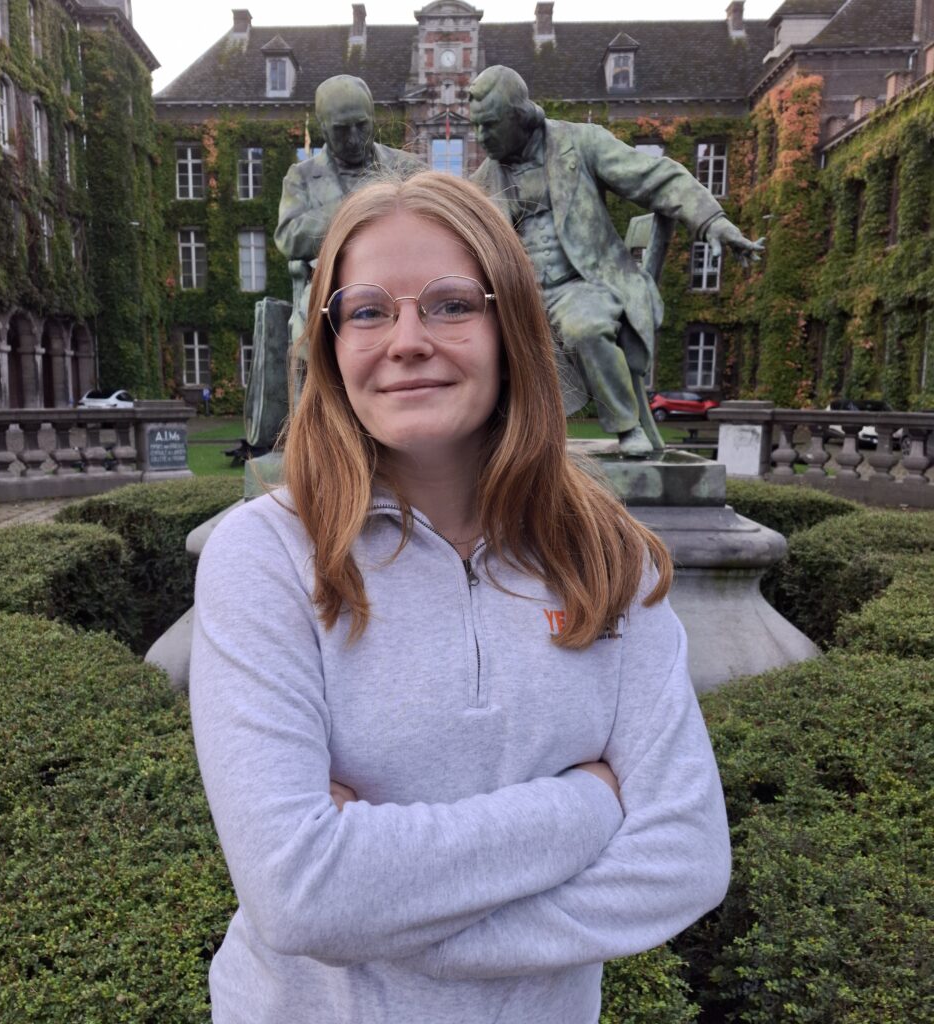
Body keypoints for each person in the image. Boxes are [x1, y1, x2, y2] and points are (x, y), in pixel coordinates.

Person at [190, 171, 730, 1024]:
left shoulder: (608, 556)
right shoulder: (265, 557)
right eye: (368, 311)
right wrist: (590, 804)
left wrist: (395, 927)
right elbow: (298, 892)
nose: (407, 340)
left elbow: (685, 859)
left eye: (450, 304)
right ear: (331, 344)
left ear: (511, 327)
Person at [469, 65, 765, 456]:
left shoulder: (581, 142)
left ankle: (628, 427)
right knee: (468, 340)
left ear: (520, 116)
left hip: (581, 284)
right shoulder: (485, 178)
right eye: (475, 126)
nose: (480, 137)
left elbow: (655, 177)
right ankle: (496, 445)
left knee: (586, 328)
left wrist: (712, 220)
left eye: (489, 126)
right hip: (520, 296)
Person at [275, 75, 423, 343]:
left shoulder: (408, 167)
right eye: (341, 130)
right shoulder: (302, 177)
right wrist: (353, 211)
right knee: (309, 334)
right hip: (334, 284)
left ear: (372, 118)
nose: (354, 138)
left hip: (404, 277)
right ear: (323, 128)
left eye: (362, 125)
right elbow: (288, 237)